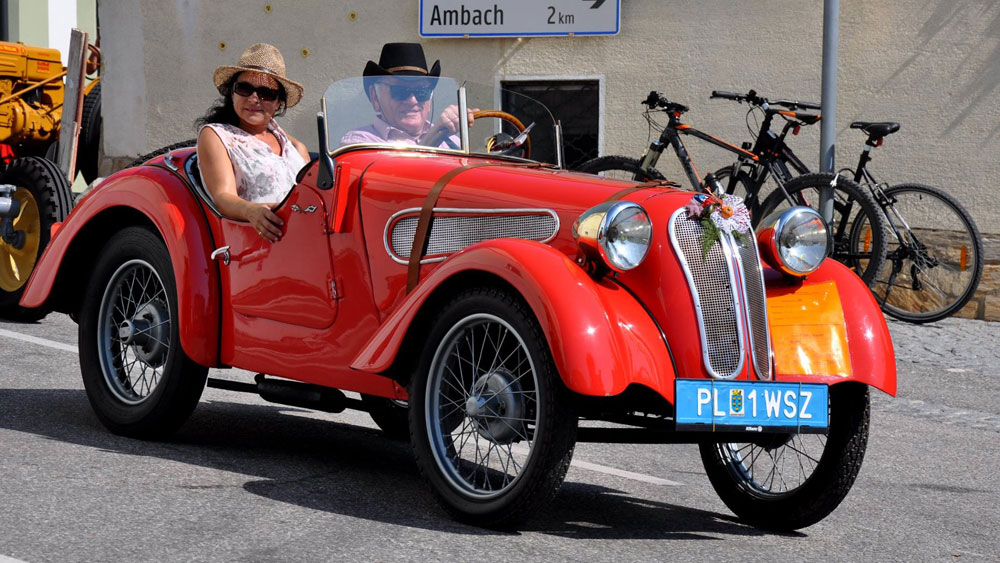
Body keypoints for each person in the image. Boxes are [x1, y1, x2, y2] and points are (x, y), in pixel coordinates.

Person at [197, 43, 310, 243]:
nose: (254, 98)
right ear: (232, 93)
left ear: (278, 103)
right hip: (254, 244)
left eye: (266, 93)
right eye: (244, 89)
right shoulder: (217, 136)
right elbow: (223, 195)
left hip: (303, 239)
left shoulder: (295, 147)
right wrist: (251, 211)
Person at [340, 42, 475, 148]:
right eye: (400, 91)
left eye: (422, 91)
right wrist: (435, 136)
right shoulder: (359, 144)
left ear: (430, 97)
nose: (412, 100)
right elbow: (396, 181)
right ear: (375, 97)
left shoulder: (453, 143)